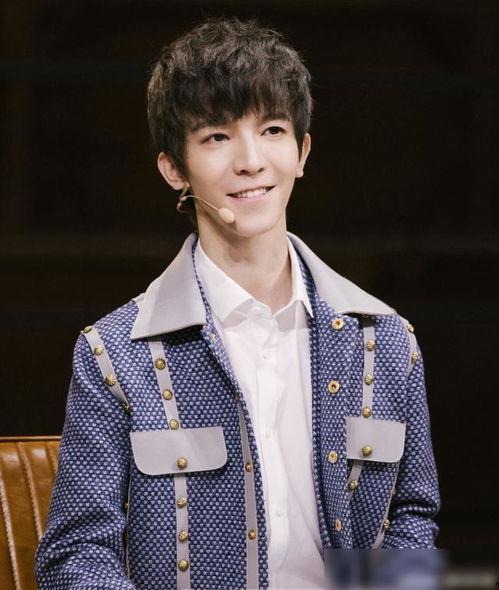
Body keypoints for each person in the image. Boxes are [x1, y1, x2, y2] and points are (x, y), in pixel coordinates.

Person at [35, 16, 440, 590]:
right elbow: (76, 555)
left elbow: (413, 517)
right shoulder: (114, 356)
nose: (250, 160)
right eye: (216, 137)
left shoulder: (386, 341)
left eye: (272, 130)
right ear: (174, 169)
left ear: (302, 151)